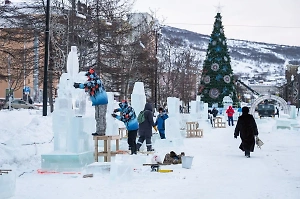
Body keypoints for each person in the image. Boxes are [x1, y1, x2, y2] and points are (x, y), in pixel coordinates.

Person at [73, 67, 108, 136]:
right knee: (97, 116)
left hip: (102, 101)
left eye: (89, 75)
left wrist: (79, 85)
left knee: (100, 116)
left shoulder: (97, 81)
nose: (88, 77)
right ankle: (99, 130)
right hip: (98, 102)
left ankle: (101, 131)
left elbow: (89, 85)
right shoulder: (92, 81)